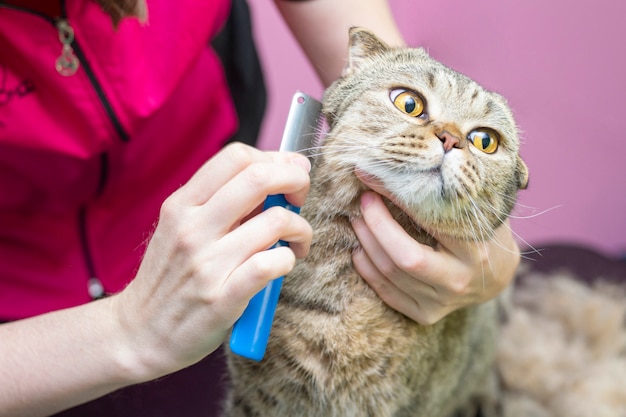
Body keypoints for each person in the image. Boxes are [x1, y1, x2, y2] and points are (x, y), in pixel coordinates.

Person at [0, 0, 521, 416]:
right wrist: (125, 329)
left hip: (223, 243)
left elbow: (390, 73)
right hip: (29, 330)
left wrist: (491, 240)